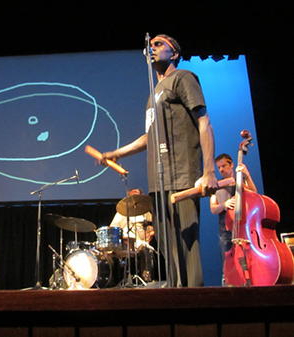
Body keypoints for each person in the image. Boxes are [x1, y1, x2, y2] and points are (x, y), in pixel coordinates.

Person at [102, 34, 218, 287]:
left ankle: (195, 306)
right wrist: (117, 153)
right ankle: (178, 302)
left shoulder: (183, 78)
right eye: (149, 46)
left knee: (187, 246)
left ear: (174, 53)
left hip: (183, 175)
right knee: (169, 248)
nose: (151, 49)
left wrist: (209, 170)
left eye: (158, 45)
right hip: (158, 182)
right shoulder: (152, 95)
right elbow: (149, 136)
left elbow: (204, 121)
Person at [210, 153, 257, 285]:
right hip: (225, 229)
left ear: (231, 165)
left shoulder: (239, 181)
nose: (221, 170)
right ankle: (228, 288)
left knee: (249, 260)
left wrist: (246, 175)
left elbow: (254, 194)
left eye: (224, 166)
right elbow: (213, 209)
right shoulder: (216, 185)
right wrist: (224, 205)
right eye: (219, 167)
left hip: (243, 228)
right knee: (227, 263)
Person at [109, 188, 156, 282]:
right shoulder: (121, 213)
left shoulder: (146, 212)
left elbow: (153, 227)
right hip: (126, 242)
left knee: (146, 249)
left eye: (138, 195)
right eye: (133, 195)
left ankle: (146, 275)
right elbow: (113, 228)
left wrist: (151, 234)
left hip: (142, 241)